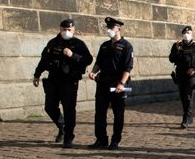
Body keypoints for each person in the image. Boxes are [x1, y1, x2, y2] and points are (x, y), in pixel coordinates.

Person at [33, 19, 93, 147]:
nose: (66, 32)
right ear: (60, 29)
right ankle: (62, 126)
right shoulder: (53, 43)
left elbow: (88, 59)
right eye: (63, 29)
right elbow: (44, 60)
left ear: (73, 30)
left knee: (69, 109)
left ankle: (68, 137)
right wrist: (37, 75)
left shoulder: (78, 44)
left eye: (69, 30)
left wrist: (73, 55)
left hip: (69, 81)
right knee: (49, 107)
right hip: (53, 79)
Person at [87, 17, 133, 150]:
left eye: (111, 28)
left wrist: (122, 83)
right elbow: (99, 63)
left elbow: (128, 67)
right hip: (103, 83)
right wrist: (94, 72)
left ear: (118, 29)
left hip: (117, 84)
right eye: (107, 28)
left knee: (118, 114)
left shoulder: (126, 46)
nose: (108, 30)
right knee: (100, 113)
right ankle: (101, 139)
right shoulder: (105, 45)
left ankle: (115, 140)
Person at [168, 25, 195, 129]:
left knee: (189, 96)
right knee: (183, 97)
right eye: (185, 33)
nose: (186, 35)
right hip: (180, 74)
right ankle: (189, 116)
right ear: (182, 34)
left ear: (192, 34)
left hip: (191, 75)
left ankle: (186, 119)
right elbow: (171, 59)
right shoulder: (177, 46)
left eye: (188, 33)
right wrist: (177, 51)